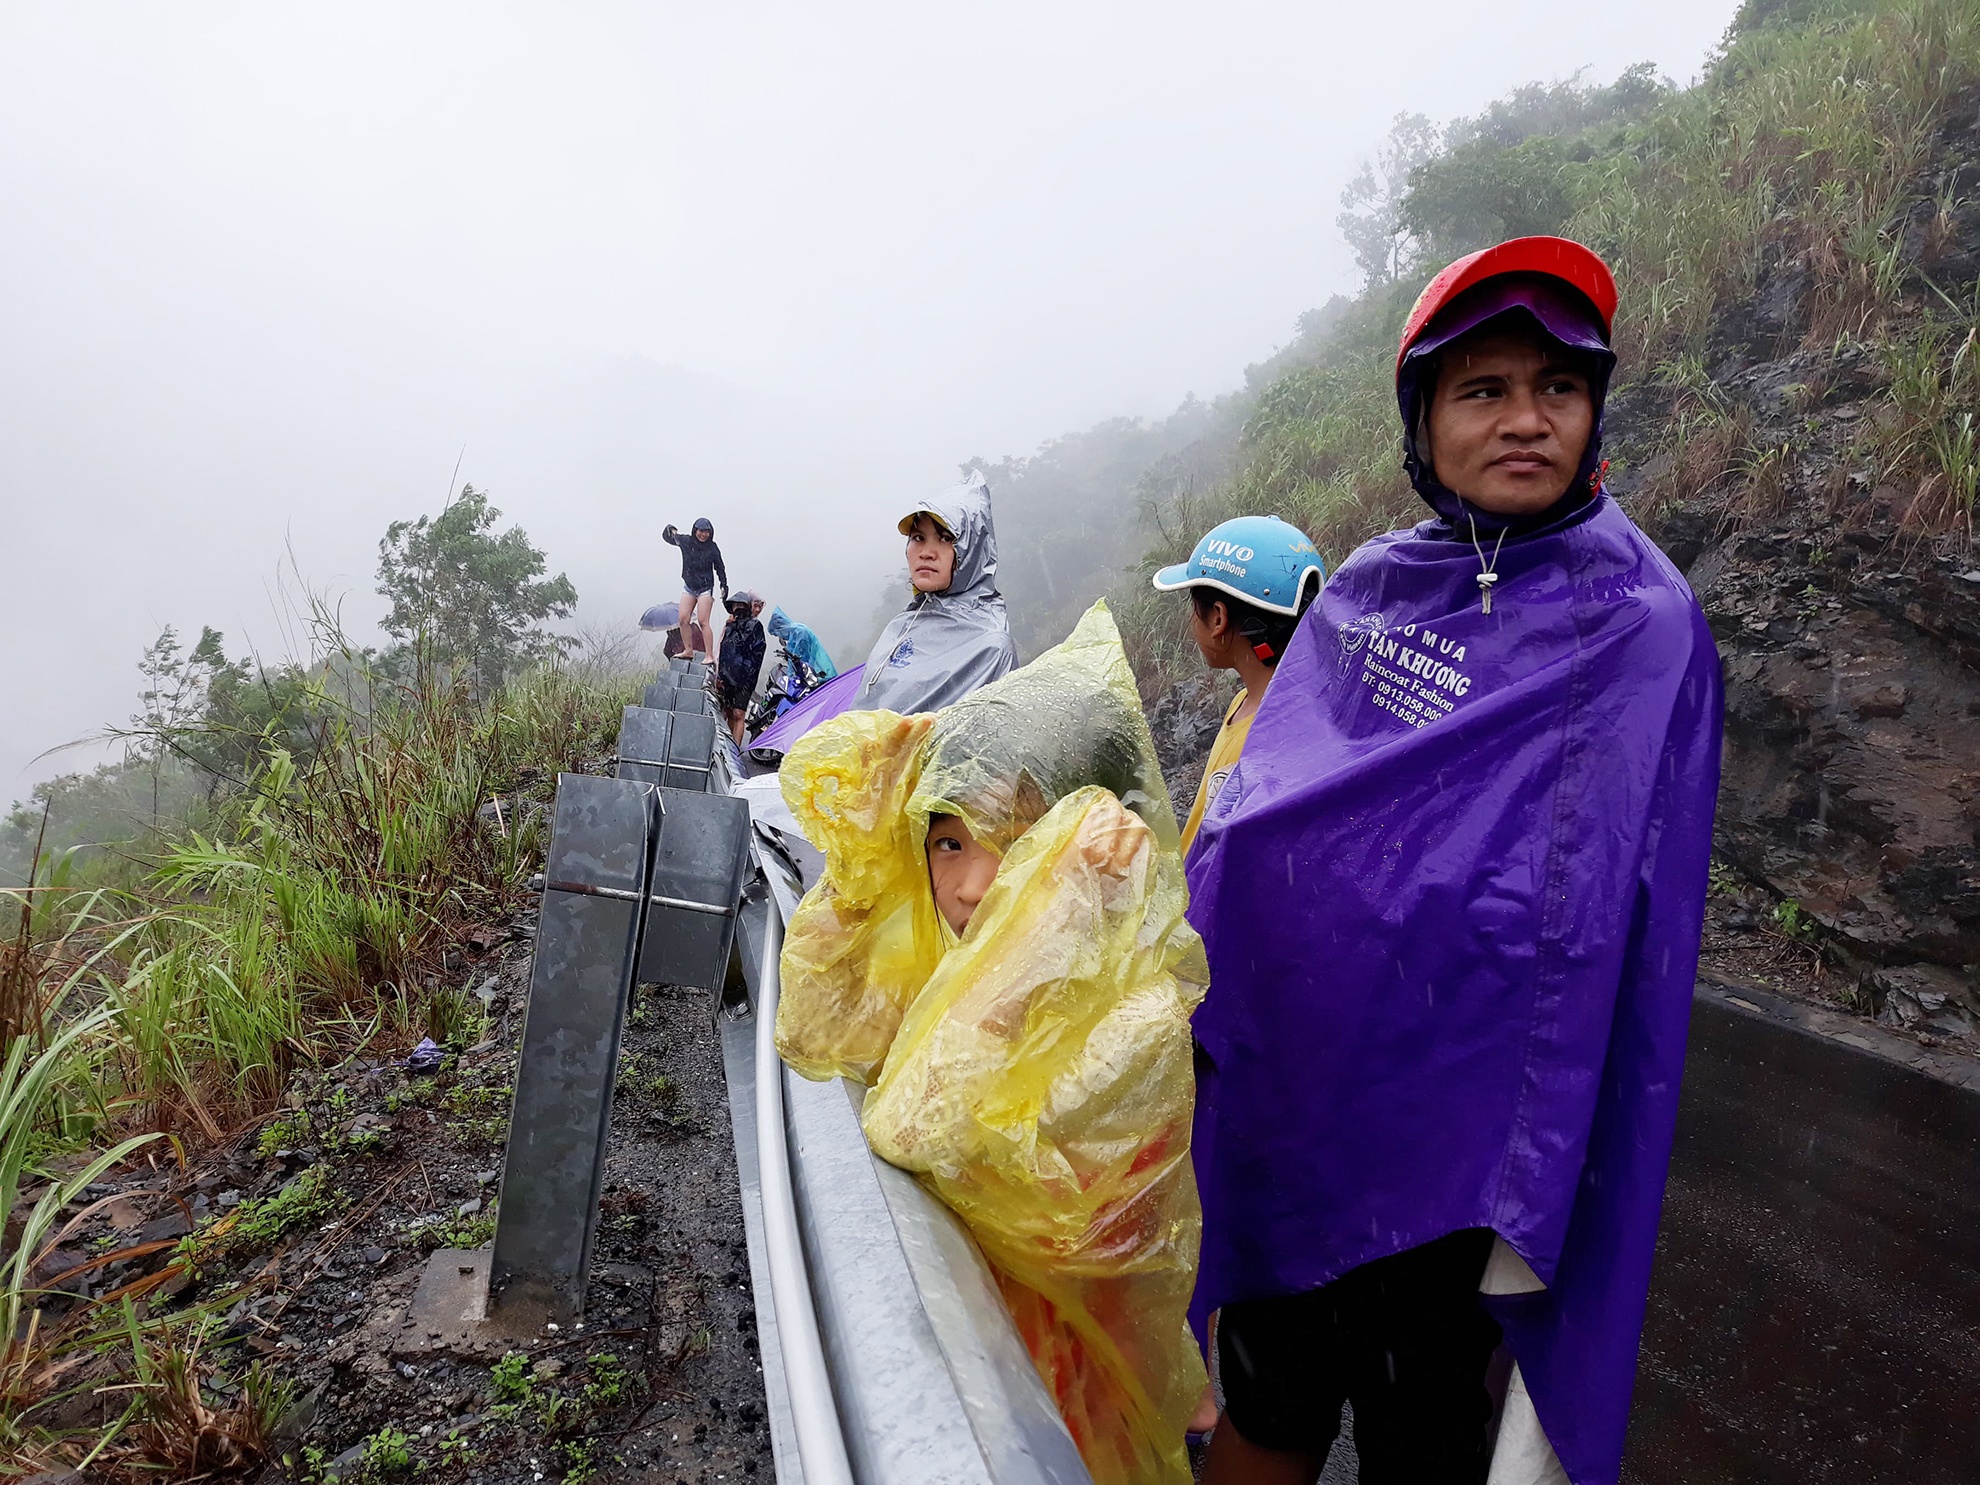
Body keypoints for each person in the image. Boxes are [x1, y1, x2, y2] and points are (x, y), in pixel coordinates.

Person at [1185, 238, 1723, 1485]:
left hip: (1477, 1133)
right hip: (1308, 1095)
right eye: (1484, 389)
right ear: (1424, 418)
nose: (1526, 419)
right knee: (1271, 1401)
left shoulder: (1642, 624)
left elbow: (1631, 903)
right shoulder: (1372, 591)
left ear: (1593, 409)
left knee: (1426, 1436)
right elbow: (1276, 815)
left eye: (1557, 386)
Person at [777, 603, 1207, 1485]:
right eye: (945, 841)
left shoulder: (1135, 1017)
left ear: (1074, 849)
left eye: (1012, 841)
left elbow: (914, 1124)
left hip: (1073, 1411)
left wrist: (1042, 933)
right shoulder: (959, 969)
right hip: (1006, 1375)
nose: (970, 884)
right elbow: (814, 1026)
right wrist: (869, 856)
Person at [1150, 516, 1325, 851]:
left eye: (1194, 610)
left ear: (1218, 618)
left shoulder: (1262, 740)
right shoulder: (1249, 704)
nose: (1192, 623)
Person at [859, 469, 1017, 714]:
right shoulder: (901, 626)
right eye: (918, 538)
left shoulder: (990, 647)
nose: (926, 553)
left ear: (972, 550)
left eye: (945, 539)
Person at [663, 516, 727, 662]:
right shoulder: (686, 541)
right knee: (683, 619)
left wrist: (724, 585)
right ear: (695, 530)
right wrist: (671, 529)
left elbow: (720, 567)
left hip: (705, 587)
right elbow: (667, 537)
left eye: (706, 532)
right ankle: (688, 650)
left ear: (710, 532)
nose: (703, 534)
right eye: (700, 531)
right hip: (689, 586)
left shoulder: (712, 548)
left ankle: (709, 655)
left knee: (703, 621)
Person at [716, 589, 766, 745]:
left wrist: (746, 676)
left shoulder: (755, 626)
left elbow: (756, 654)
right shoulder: (730, 626)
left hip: (744, 679)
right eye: (735, 605)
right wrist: (720, 675)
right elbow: (724, 651)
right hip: (727, 677)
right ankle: (729, 747)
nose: (738, 608)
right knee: (729, 711)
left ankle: (735, 749)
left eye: (741, 605)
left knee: (739, 713)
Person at [766, 605, 838, 687]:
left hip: (820, 675)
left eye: (777, 634)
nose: (780, 637)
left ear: (780, 628)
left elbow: (802, 657)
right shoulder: (794, 634)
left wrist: (794, 665)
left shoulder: (800, 632)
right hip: (814, 677)